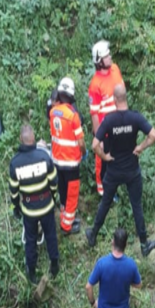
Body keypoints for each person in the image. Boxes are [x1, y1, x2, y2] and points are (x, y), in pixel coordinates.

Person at [85, 84, 155, 257]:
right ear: (126, 98)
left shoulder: (110, 120)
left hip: (114, 170)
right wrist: (141, 147)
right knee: (136, 206)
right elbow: (153, 135)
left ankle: (93, 235)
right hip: (132, 170)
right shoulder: (135, 117)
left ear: (114, 99)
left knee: (105, 202)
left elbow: (95, 145)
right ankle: (144, 244)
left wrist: (104, 157)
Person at [9, 124, 59, 283]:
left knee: (30, 240)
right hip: (46, 206)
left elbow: (14, 192)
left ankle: (31, 272)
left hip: (29, 210)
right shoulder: (44, 157)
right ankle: (54, 265)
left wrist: (16, 208)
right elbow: (53, 183)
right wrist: (53, 198)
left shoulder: (15, 163)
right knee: (50, 235)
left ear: (20, 139)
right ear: (34, 138)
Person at [49, 77, 87, 235]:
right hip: (71, 163)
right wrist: (83, 153)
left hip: (57, 161)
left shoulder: (53, 112)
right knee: (72, 195)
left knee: (63, 191)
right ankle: (67, 226)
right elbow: (81, 141)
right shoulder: (73, 115)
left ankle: (64, 218)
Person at [88, 40, 124, 198]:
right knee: (103, 161)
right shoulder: (95, 85)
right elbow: (94, 114)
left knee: (118, 158)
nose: (110, 57)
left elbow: (122, 95)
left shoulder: (115, 69)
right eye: (106, 56)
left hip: (119, 125)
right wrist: (99, 137)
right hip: (106, 131)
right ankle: (103, 191)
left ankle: (116, 187)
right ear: (99, 61)